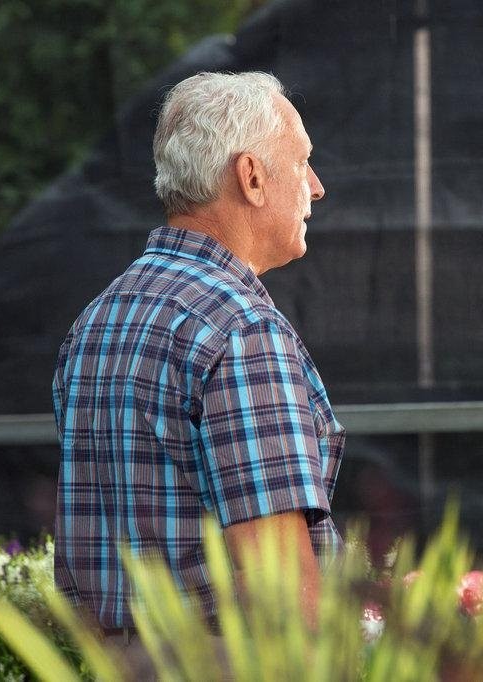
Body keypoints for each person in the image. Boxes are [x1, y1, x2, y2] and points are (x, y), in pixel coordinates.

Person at [52, 72, 343, 640]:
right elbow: (282, 595)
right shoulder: (241, 330)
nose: (316, 186)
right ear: (252, 177)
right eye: (302, 161)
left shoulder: (98, 321)